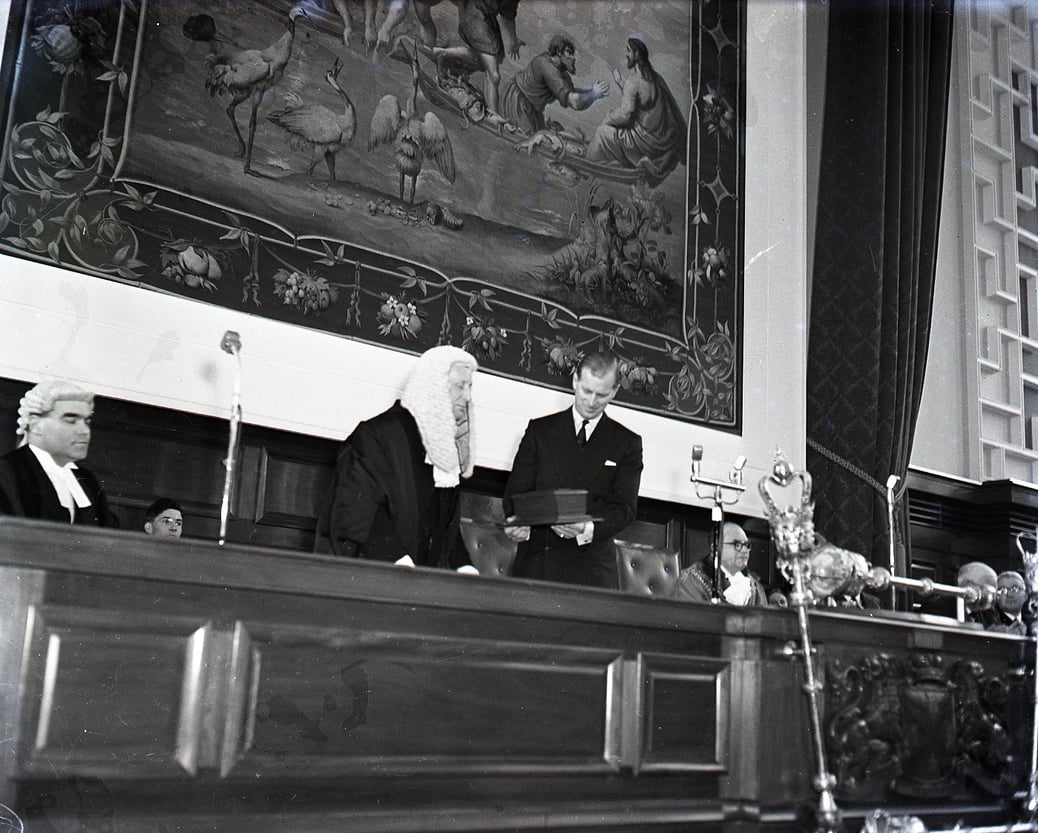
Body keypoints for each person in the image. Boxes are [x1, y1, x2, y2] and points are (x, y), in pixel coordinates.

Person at [315, 345, 479, 572]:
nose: (468, 396)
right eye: (460, 386)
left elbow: (445, 524)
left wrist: (464, 566)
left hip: (420, 581)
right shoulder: (378, 435)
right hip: (374, 574)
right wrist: (398, 560)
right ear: (433, 388)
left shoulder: (444, 445)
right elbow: (358, 512)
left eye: (470, 386)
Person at [503, 351, 643, 589]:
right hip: (538, 566)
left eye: (602, 395)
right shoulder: (540, 430)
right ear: (575, 381)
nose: (591, 401)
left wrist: (586, 529)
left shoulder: (627, 443)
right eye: (587, 391)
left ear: (615, 391)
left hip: (593, 572)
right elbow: (515, 495)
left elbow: (625, 509)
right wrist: (518, 523)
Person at [0, 379, 115, 526]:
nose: (85, 431)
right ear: (36, 425)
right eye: (71, 420)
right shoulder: (6, 472)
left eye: (87, 422)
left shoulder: (87, 480)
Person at [586, 37, 687, 187]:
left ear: (637, 54)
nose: (626, 54)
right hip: (658, 143)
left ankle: (587, 166)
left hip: (640, 142)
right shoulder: (655, 78)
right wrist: (619, 80)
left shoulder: (633, 83)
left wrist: (608, 118)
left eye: (628, 50)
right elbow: (641, 99)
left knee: (601, 132)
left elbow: (626, 115)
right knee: (612, 130)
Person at [500, 34, 609, 135]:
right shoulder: (545, 64)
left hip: (534, 110)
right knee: (522, 140)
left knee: (538, 141)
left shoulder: (563, 75)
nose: (573, 58)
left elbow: (574, 95)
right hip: (518, 102)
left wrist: (591, 92)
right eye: (569, 52)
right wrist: (594, 94)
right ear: (558, 51)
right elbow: (574, 101)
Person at [674, 522, 767, 606]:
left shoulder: (755, 586)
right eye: (737, 545)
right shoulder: (690, 581)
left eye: (747, 545)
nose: (745, 550)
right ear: (715, 548)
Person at [990, 570, 1029, 635]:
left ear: (1025, 596)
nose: (1009, 594)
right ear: (996, 596)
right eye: (1002, 590)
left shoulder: (1033, 623)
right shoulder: (990, 624)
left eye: (1015, 589)